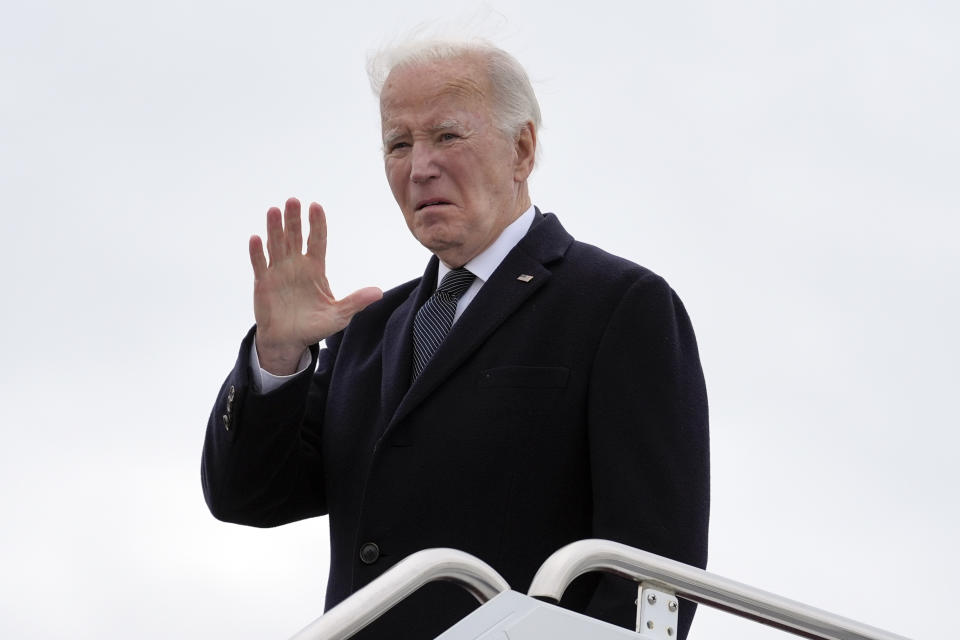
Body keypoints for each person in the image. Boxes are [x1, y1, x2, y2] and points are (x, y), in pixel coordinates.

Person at [202, 39, 709, 640]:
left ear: (521, 149)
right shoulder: (368, 330)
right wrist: (279, 359)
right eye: (398, 144)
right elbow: (247, 497)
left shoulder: (618, 304)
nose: (419, 167)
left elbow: (650, 575)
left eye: (446, 137)